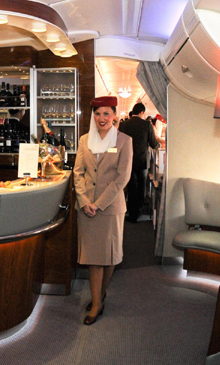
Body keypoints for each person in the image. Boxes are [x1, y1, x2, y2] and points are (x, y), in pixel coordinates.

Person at [74, 96, 133, 325]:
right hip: (86, 206)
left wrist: (98, 204)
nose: (102, 118)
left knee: (110, 257)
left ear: (114, 115)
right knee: (93, 258)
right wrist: (84, 199)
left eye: (106, 113)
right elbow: (78, 173)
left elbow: (122, 178)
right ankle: (97, 302)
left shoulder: (124, 140)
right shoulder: (85, 140)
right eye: (97, 113)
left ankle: (101, 294)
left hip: (109, 208)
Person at [119, 102, 159, 223]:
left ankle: (131, 212)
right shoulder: (147, 125)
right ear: (142, 112)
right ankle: (139, 211)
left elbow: (118, 144)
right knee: (141, 187)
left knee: (131, 187)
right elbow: (153, 143)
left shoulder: (123, 124)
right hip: (142, 161)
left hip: (127, 160)